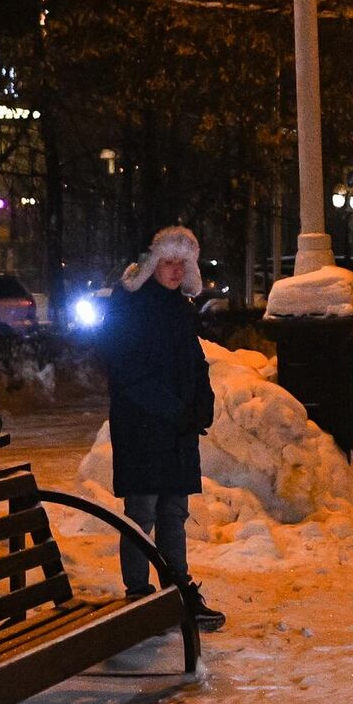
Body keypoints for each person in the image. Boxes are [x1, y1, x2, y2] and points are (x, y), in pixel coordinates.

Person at [102, 226, 226, 632]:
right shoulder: (130, 306)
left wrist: (200, 403)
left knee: (173, 511)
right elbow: (127, 371)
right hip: (142, 427)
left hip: (175, 428)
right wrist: (175, 411)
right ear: (154, 263)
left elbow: (193, 359)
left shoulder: (178, 307)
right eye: (168, 262)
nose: (175, 271)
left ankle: (178, 590)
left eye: (182, 263)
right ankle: (137, 596)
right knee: (141, 512)